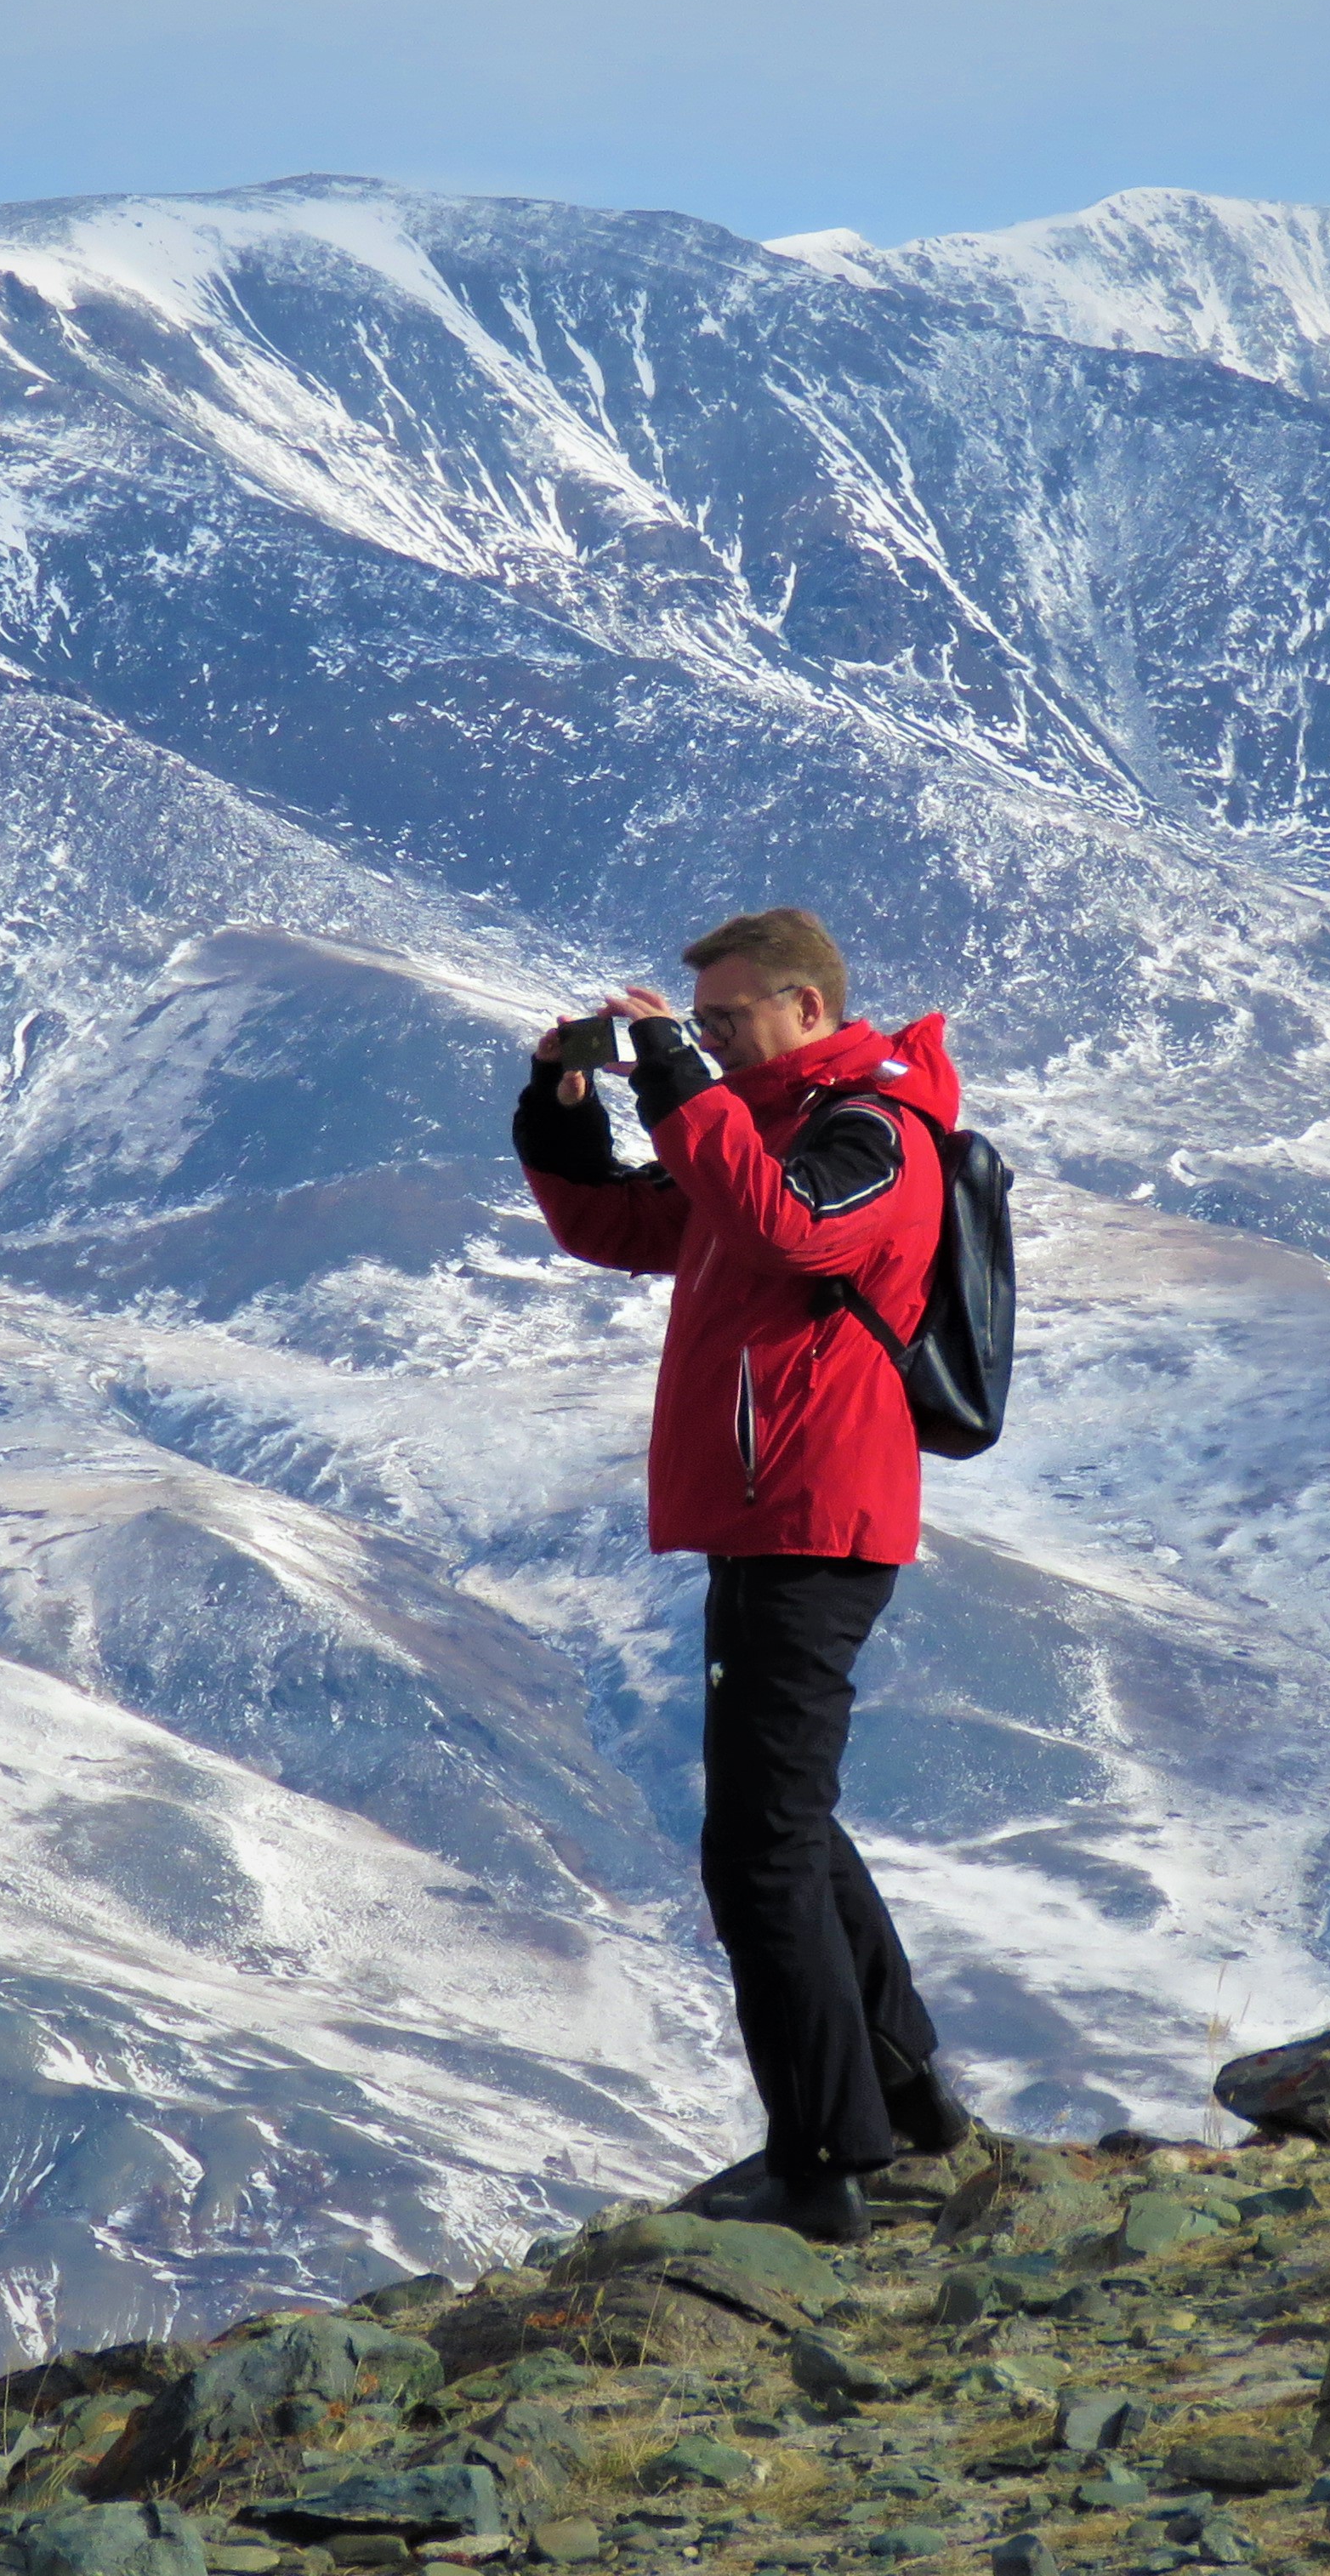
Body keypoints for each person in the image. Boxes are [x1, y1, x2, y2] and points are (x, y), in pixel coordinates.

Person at [513, 905, 976, 2241]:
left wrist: (673, 1079)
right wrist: (564, 1107)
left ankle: (824, 2163)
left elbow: (789, 1233)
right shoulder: (760, 1134)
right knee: (790, 1823)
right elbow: (626, 1228)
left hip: (817, 1515)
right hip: (773, 1512)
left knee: (755, 1851)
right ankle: (907, 2099)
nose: (706, 1041)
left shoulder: (874, 1134)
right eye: (695, 1023)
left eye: (724, 1021)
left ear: (808, 1010)